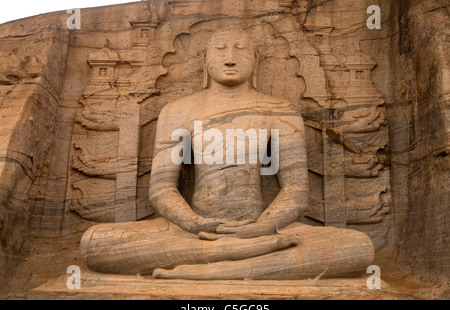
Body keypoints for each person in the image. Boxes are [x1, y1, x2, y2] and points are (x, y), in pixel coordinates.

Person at [80, 30, 374, 280]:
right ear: (205, 63)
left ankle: (201, 270)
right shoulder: (177, 111)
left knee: (356, 247)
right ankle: (237, 258)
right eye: (219, 50)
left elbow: (296, 190)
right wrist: (192, 222)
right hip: (191, 233)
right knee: (95, 242)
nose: (230, 57)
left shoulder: (280, 111)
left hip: (263, 229)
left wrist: (263, 227)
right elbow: (161, 189)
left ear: (255, 62)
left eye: (241, 50)